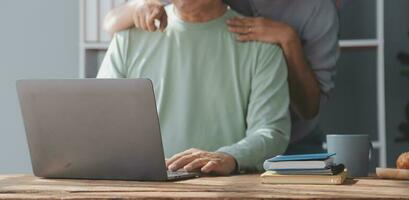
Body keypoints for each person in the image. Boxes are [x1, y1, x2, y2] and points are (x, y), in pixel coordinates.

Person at [103, 0, 340, 155]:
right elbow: (111, 22)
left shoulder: (314, 11)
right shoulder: (130, 39)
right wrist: (134, 9)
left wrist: (289, 40)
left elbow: (304, 111)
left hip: (290, 142)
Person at [97, 0, 291, 175]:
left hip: (220, 187)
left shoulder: (261, 46)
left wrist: (229, 157)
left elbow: (271, 132)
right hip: (137, 185)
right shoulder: (127, 38)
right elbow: (99, 120)